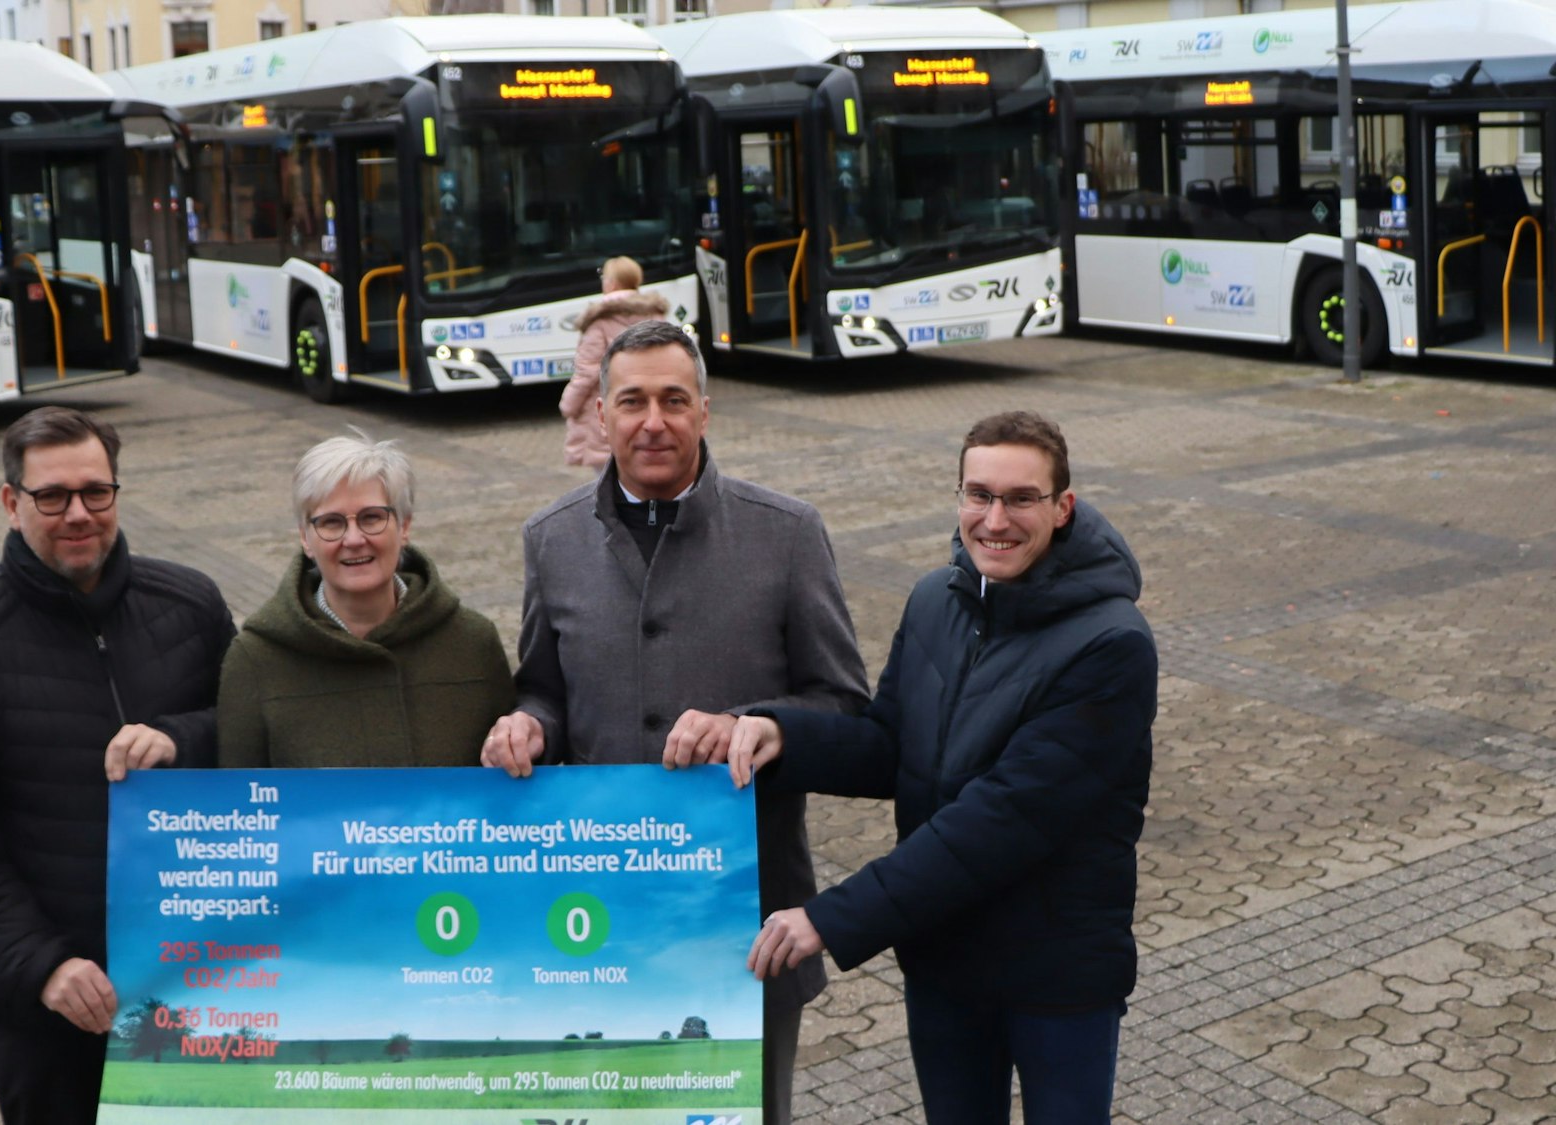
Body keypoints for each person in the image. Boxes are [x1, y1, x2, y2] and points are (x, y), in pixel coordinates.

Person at [483, 319, 869, 1125]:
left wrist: (752, 725)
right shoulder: (551, 539)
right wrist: (525, 724)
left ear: (704, 409)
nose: (652, 420)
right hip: (600, 914)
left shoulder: (786, 533)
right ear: (599, 413)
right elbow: (542, 688)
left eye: (672, 399)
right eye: (631, 401)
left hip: (744, 910)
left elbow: (844, 710)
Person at [727, 411, 1156, 1124]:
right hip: (946, 962)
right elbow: (893, 745)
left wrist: (833, 917)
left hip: (1057, 973)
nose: (995, 519)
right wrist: (779, 735)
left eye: (1021, 498)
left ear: (1063, 507)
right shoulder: (937, 599)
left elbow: (1004, 816)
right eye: (978, 494)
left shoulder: (1112, 644)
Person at [0, 406, 235, 1125]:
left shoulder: (193, 604)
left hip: (194, 982)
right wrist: (42, 964)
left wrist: (180, 737)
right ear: (12, 502)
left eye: (95, 491)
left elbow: (248, 738)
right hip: (51, 1012)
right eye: (53, 496)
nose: (77, 513)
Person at [216, 431, 514, 766]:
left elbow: (510, 791)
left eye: (372, 517)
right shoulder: (255, 660)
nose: (354, 539)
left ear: (404, 527)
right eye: (331, 522)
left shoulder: (473, 643)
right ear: (305, 538)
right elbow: (243, 807)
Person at [559, 256, 668, 469]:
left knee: (608, 482)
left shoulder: (599, 321)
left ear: (613, 283)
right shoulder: (657, 317)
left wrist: (569, 404)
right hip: (649, 407)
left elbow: (587, 372)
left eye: (605, 277)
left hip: (610, 411)